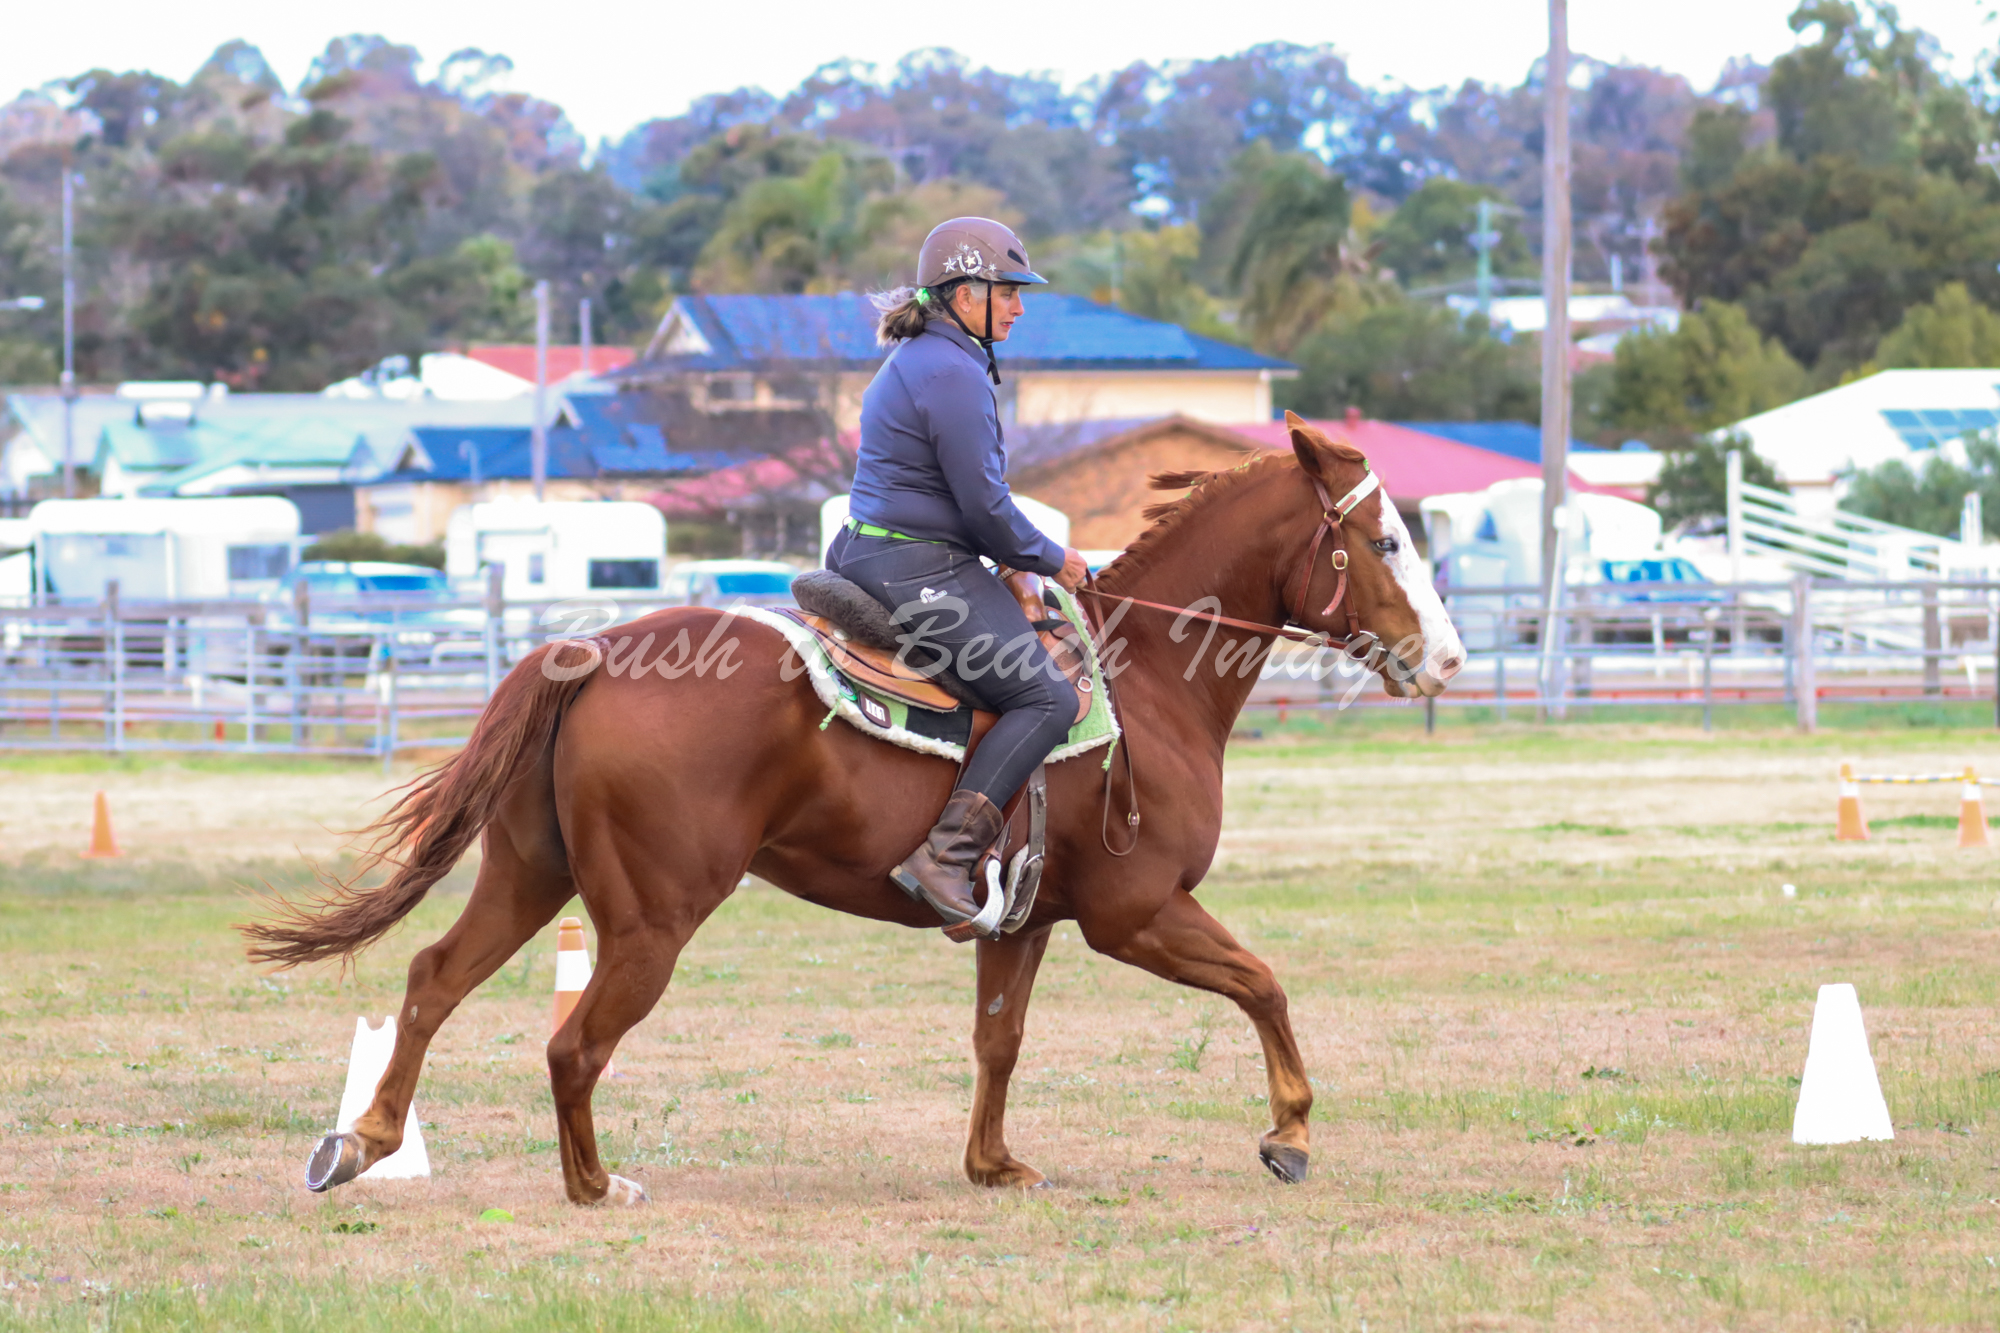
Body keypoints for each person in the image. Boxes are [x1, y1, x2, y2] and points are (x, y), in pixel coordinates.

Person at [826, 217, 1090, 930]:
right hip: (917, 563)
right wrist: (1053, 557)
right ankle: (946, 855)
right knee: (1047, 698)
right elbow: (985, 506)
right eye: (1009, 292)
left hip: (876, 550)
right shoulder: (951, 372)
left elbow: (969, 500)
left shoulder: (927, 359)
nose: (1019, 307)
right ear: (965, 293)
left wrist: (1014, 555)